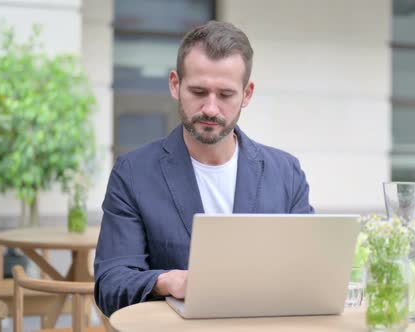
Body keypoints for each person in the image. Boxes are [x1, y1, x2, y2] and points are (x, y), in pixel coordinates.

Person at [94, 20, 314, 317]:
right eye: (198, 92)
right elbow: (111, 284)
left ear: (247, 94)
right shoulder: (133, 173)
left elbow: (309, 272)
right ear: (176, 85)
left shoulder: (285, 173)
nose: (210, 108)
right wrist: (166, 281)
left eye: (225, 95)